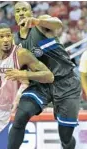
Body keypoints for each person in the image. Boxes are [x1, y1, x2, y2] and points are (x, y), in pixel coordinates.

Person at [7, 2, 81, 149]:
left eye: (24, 10)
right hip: (40, 85)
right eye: (18, 11)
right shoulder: (14, 43)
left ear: (30, 12)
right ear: (14, 16)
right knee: (20, 117)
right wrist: (17, 96)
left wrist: (38, 20)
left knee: (65, 137)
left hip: (66, 82)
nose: (21, 13)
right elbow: (24, 75)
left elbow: (58, 24)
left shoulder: (41, 24)